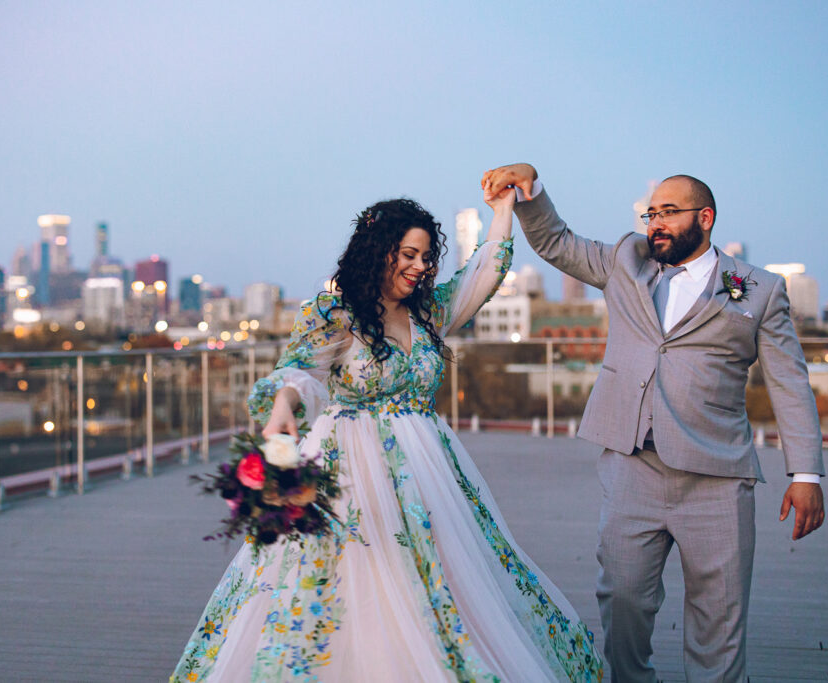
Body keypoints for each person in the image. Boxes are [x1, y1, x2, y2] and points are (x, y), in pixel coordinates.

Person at [170, 193, 603, 682]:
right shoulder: (337, 311)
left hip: (428, 472)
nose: (420, 267)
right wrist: (282, 409)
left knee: (437, 580)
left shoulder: (429, 312)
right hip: (353, 468)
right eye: (408, 255)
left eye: (426, 257)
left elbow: (482, 274)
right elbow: (302, 371)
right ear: (379, 251)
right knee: (352, 579)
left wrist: (503, 209)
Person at [482, 164, 825, 682]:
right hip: (632, 468)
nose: (655, 223)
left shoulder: (758, 289)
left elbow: (790, 383)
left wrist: (806, 475)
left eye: (668, 212)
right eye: (651, 213)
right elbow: (556, 242)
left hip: (717, 478)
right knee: (621, 601)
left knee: (719, 617)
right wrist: (531, 191)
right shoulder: (626, 260)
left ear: (704, 218)